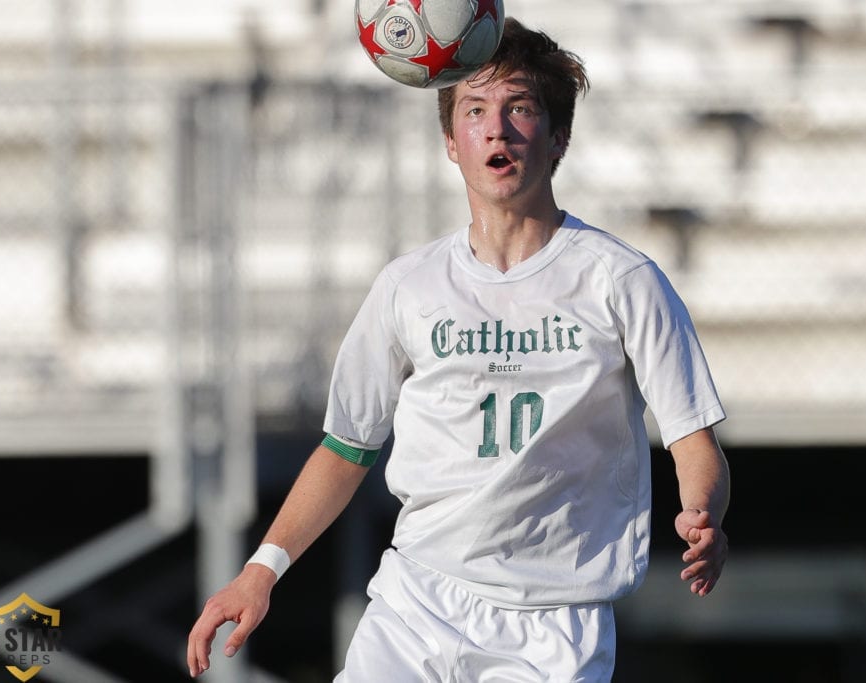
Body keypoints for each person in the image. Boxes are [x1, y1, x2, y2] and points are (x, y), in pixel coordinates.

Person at [187, 16, 730, 681]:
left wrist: (704, 515)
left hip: (554, 621)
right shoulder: (407, 287)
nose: (496, 128)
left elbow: (693, 444)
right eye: (475, 110)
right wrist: (260, 571)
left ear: (558, 138)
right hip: (417, 601)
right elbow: (345, 448)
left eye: (520, 108)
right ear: (451, 140)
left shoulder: (621, 280)